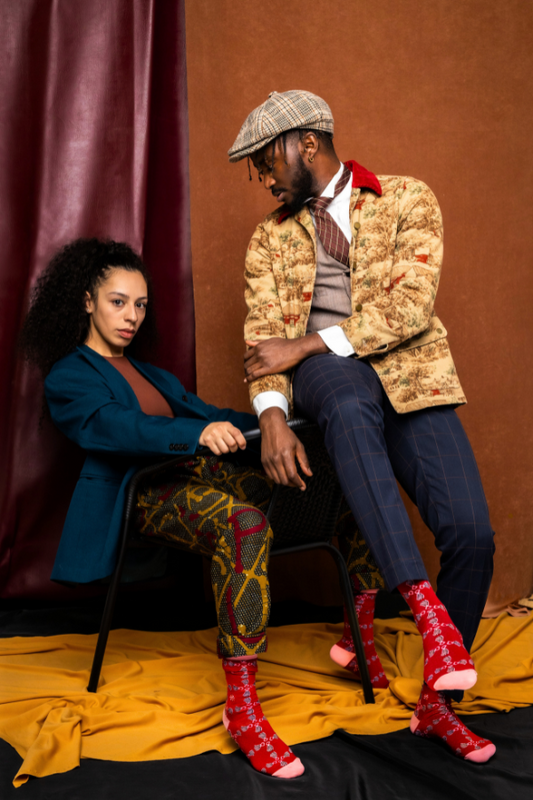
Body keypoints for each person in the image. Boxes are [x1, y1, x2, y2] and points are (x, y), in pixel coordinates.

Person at [229, 90, 496, 762]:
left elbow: (410, 307)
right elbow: (264, 340)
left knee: (471, 534)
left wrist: (306, 346)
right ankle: (426, 614)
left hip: (410, 376)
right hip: (330, 383)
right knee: (346, 403)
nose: (262, 177)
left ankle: (439, 706)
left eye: (266, 161)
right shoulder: (268, 237)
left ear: (306, 145)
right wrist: (272, 415)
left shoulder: (407, 198)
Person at [21, 237, 308, 778]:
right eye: (118, 302)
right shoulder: (69, 375)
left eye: (141, 305)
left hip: (197, 479)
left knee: (315, 482)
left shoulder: (153, 375)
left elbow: (211, 412)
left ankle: (358, 635)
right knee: (245, 526)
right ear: (87, 301)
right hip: (142, 495)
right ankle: (244, 708)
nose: (132, 316)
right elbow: (112, 427)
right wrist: (196, 433)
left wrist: (282, 423)